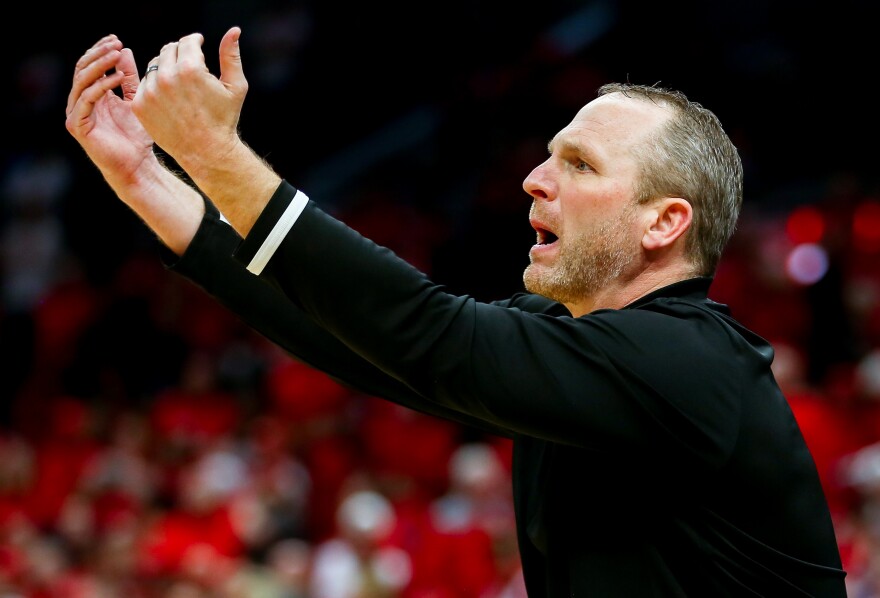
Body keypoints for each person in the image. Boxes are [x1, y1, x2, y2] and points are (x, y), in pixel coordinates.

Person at [65, 27, 848, 596]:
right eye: (548, 155)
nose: (535, 179)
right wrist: (149, 183)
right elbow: (367, 344)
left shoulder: (693, 364)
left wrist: (217, 158)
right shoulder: (577, 348)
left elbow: (431, 334)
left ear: (664, 223)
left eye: (578, 164)